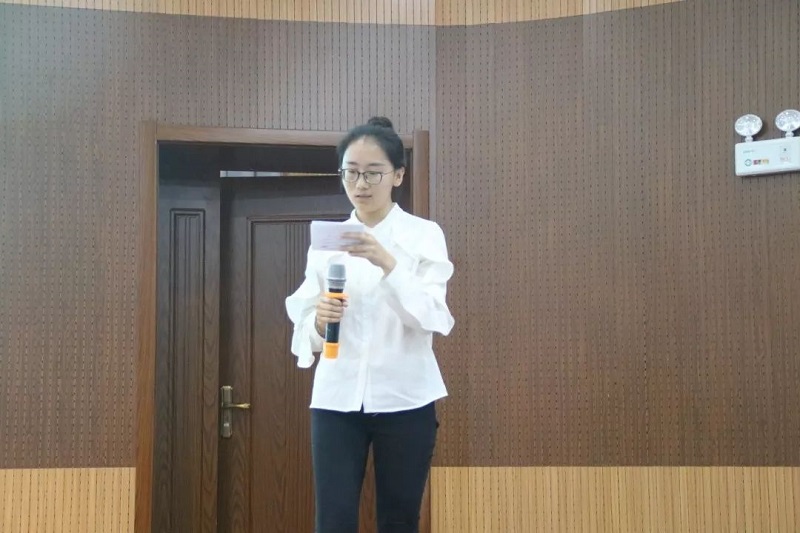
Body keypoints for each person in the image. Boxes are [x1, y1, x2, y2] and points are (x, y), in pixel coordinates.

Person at [285, 116, 455, 533]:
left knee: (398, 520)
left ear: (397, 175)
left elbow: (433, 317)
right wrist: (318, 323)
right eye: (351, 172)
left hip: (406, 398)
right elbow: (304, 324)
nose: (360, 184)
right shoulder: (329, 240)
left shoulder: (423, 235)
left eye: (373, 173)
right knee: (333, 521)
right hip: (336, 398)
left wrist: (387, 262)